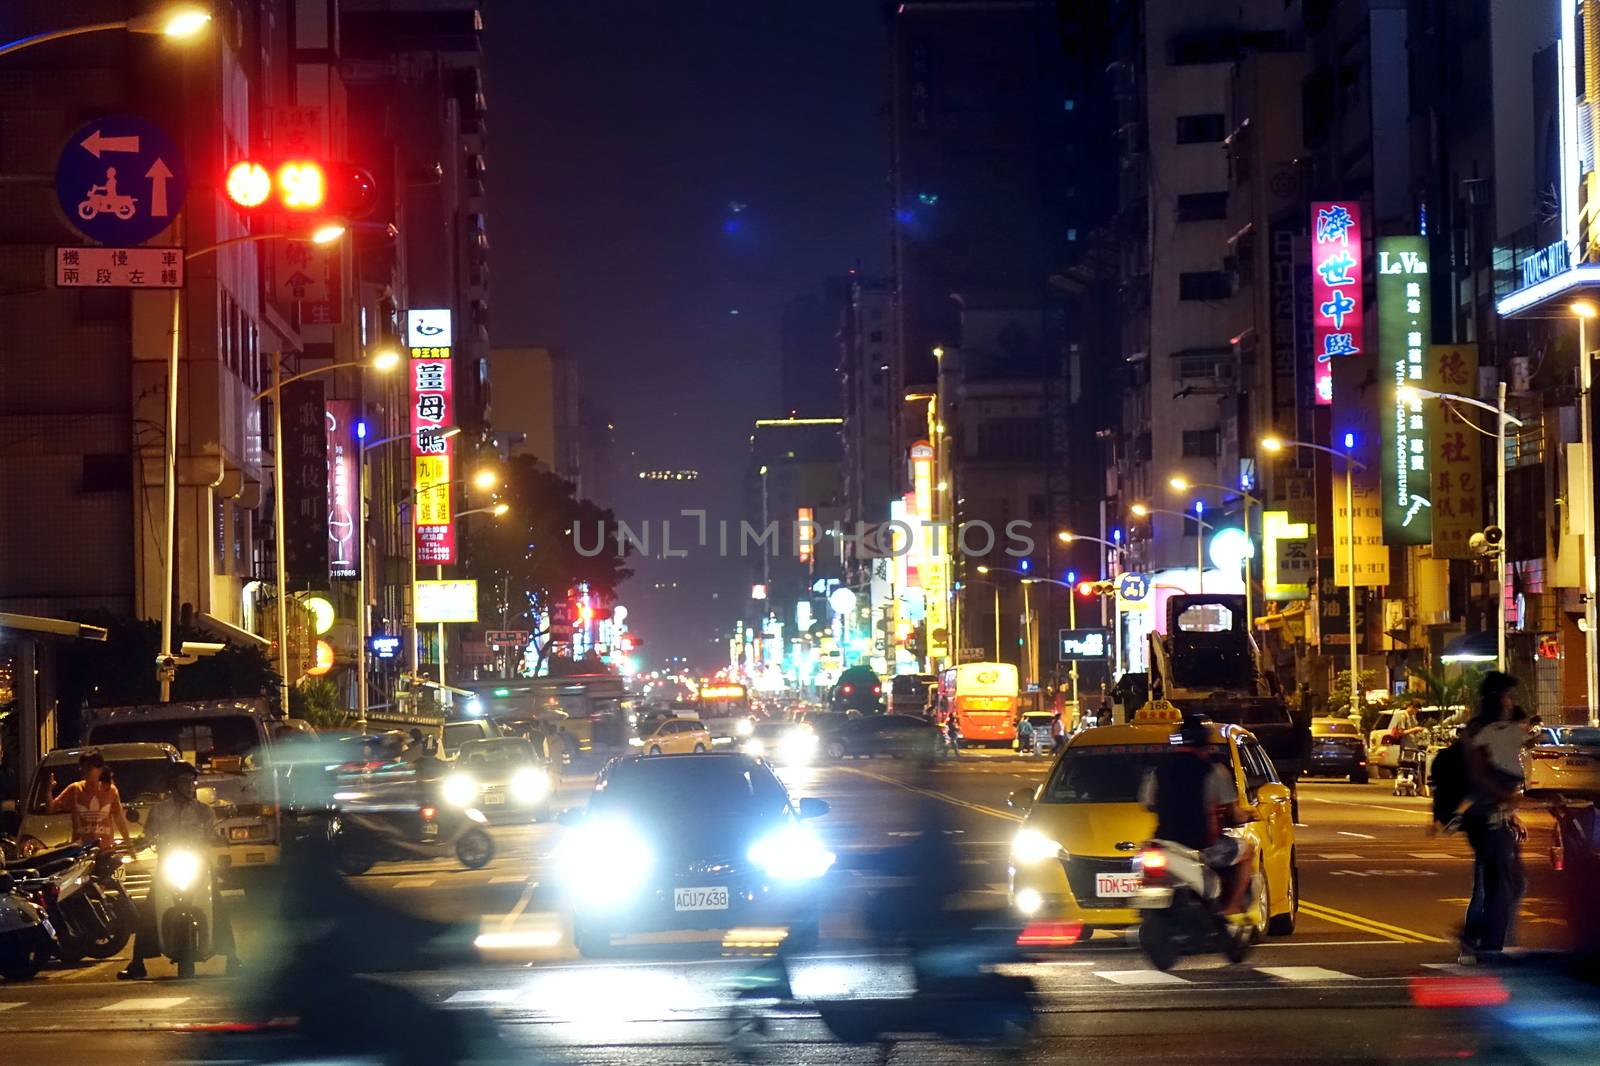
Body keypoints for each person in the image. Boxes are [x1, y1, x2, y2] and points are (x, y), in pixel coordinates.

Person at [120, 763, 241, 979]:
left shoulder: (204, 811)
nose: (189, 786)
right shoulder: (159, 810)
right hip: (169, 863)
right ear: (173, 784)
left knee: (218, 904)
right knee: (149, 907)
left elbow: (212, 833)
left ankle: (232, 958)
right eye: (184, 781)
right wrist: (141, 842)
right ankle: (137, 962)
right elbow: (149, 833)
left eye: (191, 781)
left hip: (198, 863)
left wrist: (220, 838)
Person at [1138, 718, 1256, 914]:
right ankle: (1231, 906)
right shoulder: (1214, 771)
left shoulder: (1158, 771)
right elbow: (1233, 812)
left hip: (1165, 842)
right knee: (1246, 851)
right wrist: (1246, 816)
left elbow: (1147, 803)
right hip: (1202, 845)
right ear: (1205, 745)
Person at [1459, 671, 1527, 964]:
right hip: (1484, 815)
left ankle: (1480, 937)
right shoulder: (1485, 733)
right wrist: (1505, 799)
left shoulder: (1488, 731)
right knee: (1497, 880)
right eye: (1508, 696)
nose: (1511, 703)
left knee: (1503, 879)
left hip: (1489, 814)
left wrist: (1512, 812)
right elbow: (1480, 775)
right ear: (1498, 699)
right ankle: (1484, 942)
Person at [50, 749, 131, 849]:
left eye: (89, 768)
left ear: (100, 770)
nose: (84, 771)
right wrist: (48, 792)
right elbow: (51, 808)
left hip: (105, 849)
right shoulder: (75, 789)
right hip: (81, 851)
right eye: (82, 768)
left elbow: (119, 819)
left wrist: (129, 844)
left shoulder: (110, 791)